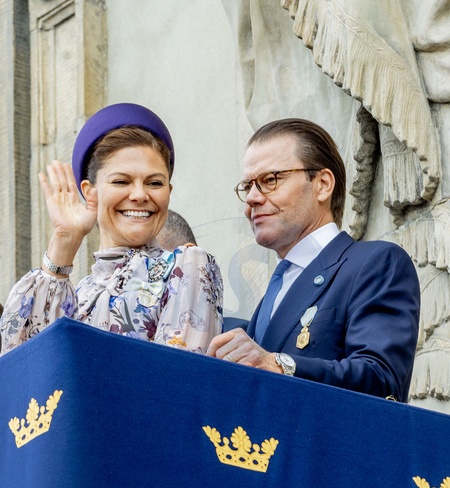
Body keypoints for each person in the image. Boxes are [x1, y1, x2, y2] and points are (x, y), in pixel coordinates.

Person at [207, 118, 420, 403]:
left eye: (270, 180)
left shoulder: (375, 264)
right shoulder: (276, 288)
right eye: (248, 186)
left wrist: (280, 364)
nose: (252, 199)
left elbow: (381, 379)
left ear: (322, 185)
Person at [0, 103, 223, 355]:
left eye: (154, 183)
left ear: (168, 192)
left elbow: (179, 371)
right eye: (121, 181)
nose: (140, 194)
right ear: (89, 192)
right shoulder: (78, 293)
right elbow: (23, 361)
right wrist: (65, 241)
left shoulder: (187, 267)